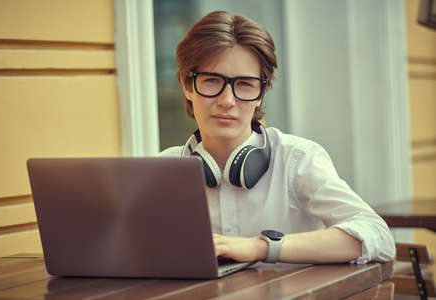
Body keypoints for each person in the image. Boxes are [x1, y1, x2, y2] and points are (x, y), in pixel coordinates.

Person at [159, 10, 395, 264]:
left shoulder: (298, 159)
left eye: (244, 84)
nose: (227, 101)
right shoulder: (163, 170)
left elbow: (378, 237)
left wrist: (262, 247)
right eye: (212, 81)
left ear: (262, 92)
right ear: (186, 84)